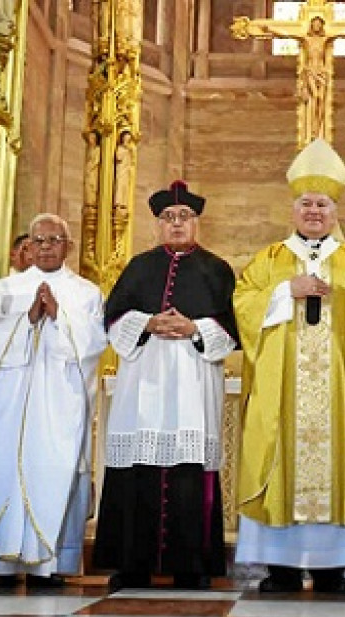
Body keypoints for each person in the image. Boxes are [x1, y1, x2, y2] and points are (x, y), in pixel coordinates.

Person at [233, 138, 345, 595]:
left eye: (322, 203)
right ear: (293, 209)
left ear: (336, 211)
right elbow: (244, 305)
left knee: (337, 465)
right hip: (283, 390)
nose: (313, 211)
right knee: (281, 459)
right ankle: (280, 569)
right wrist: (288, 290)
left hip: (337, 398)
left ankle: (332, 569)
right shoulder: (269, 260)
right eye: (305, 202)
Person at [93, 180, 238, 590]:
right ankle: (131, 565)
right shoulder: (139, 267)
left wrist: (195, 327)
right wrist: (149, 322)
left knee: (189, 474)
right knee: (137, 469)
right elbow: (113, 317)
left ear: (196, 223)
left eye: (184, 217)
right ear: (158, 224)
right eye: (168, 218)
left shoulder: (217, 269)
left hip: (193, 380)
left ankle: (191, 567)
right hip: (144, 380)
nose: (176, 224)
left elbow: (233, 326)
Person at [0, 213, 106, 588]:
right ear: (27, 246)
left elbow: (95, 343)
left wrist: (58, 316)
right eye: (40, 240)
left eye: (55, 240)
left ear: (68, 247)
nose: (47, 247)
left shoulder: (87, 292)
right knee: (2, 470)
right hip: (10, 400)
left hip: (61, 400)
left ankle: (48, 565)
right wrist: (27, 318)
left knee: (55, 470)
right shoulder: (5, 289)